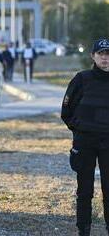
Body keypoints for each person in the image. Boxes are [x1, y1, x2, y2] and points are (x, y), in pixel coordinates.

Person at [61, 38, 109, 236]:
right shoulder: (82, 79)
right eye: (101, 54)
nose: (105, 58)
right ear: (93, 56)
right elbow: (66, 110)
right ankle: (84, 229)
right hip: (85, 142)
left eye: (108, 54)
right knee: (84, 191)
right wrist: (80, 130)